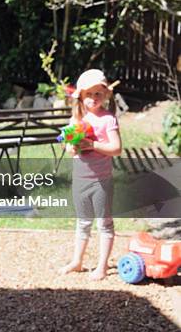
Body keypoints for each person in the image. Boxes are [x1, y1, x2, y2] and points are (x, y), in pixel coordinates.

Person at [59, 69, 122, 280]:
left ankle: (102, 266)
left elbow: (116, 148)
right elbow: (68, 147)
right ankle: (78, 261)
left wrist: (92, 144)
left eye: (98, 93)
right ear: (81, 97)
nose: (94, 98)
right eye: (89, 94)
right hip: (80, 179)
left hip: (101, 181)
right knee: (83, 221)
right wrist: (73, 147)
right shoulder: (76, 119)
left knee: (104, 223)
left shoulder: (108, 119)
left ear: (105, 95)